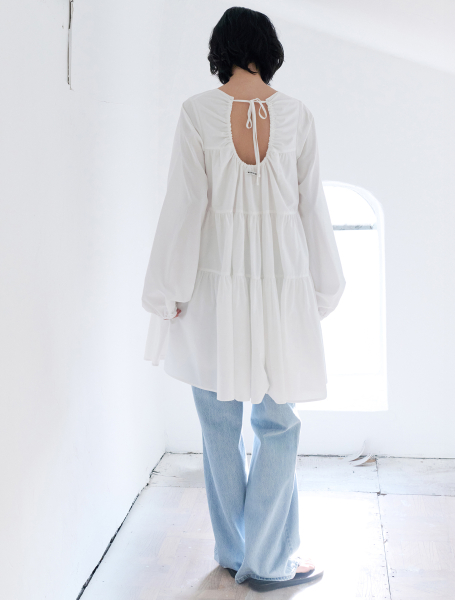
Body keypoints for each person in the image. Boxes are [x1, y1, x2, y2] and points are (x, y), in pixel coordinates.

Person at [142, 7, 345, 592]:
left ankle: (234, 554)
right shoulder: (297, 114)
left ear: (220, 51)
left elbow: (184, 206)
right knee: (278, 423)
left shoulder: (197, 112)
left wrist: (168, 290)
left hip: (214, 292)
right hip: (282, 289)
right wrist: (324, 288)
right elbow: (311, 206)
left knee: (218, 428)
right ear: (269, 49)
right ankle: (270, 560)